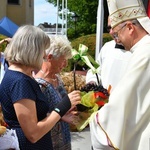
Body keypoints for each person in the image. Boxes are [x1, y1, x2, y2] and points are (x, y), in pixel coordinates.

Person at [0, 25, 81, 150]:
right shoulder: (20, 81)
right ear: (32, 50)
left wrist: (60, 114)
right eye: (43, 49)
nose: (44, 55)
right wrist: (62, 107)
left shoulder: (18, 75)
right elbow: (33, 134)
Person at [90, 0, 150, 149]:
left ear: (130, 27)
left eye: (117, 33)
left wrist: (93, 119)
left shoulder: (144, 54)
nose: (118, 40)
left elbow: (120, 110)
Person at [34, 35, 79, 150]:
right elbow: (36, 118)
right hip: (50, 143)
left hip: (64, 139)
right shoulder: (39, 84)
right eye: (63, 60)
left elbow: (61, 105)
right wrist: (61, 116)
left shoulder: (57, 78)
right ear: (49, 57)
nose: (66, 65)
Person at [86, 17, 132, 92]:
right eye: (109, 28)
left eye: (114, 27)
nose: (111, 32)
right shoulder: (107, 47)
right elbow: (94, 69)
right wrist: (92, 81)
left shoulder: (140, 50)